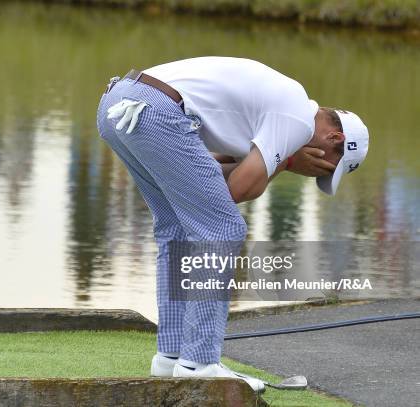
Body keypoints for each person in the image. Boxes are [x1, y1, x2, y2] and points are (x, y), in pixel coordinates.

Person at [95, 57, 369, 392]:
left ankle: (171, 357)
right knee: (225, 228)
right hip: (152, 109)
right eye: (325, 169)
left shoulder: (270, 114)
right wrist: (287, 161)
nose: (314, 175)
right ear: (333, 137)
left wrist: (279, 161)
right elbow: (237, 192)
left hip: (121, 102)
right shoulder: (298, 117)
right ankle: (199, 363)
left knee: (178, 228)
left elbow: (209, 181)